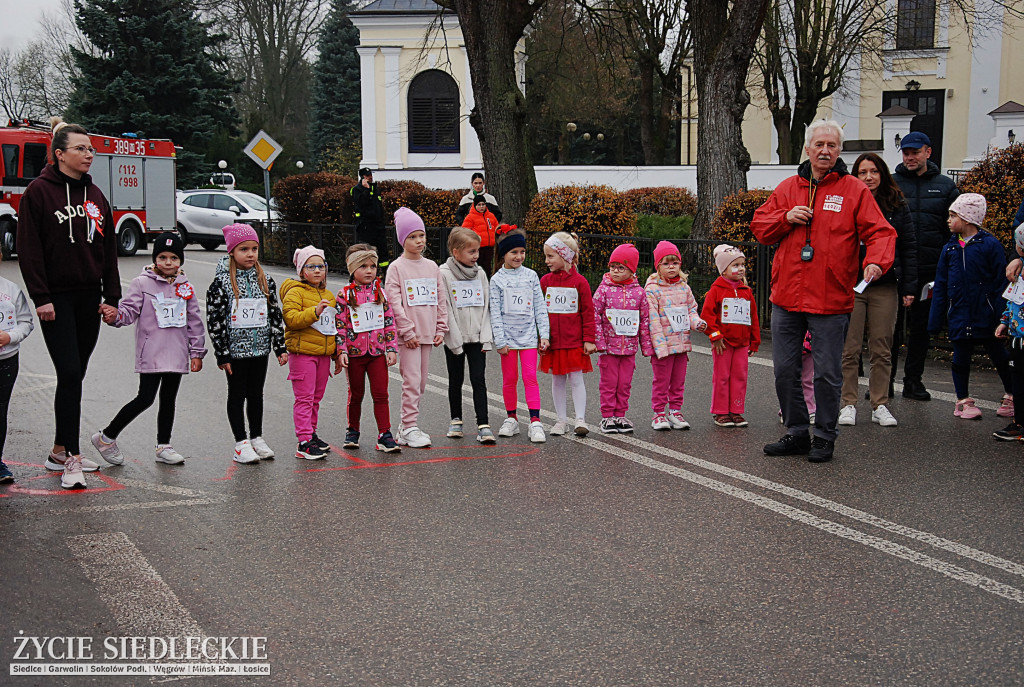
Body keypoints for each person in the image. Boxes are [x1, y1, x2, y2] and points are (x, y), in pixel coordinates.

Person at [752, 119, 896, 463]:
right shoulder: (788, 187)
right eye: (819, 144)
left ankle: (825, 436)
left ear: (840, 150)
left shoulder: (854, 190)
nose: (825, 151)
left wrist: (875, 262)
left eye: (832, 145)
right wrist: (786, 217)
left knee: (828, 374)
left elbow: (881, 232)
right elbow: (760, 226)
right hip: (787, 297)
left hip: (831, 298)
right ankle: (797, 432)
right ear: (807, 148)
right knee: (784, 371)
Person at [16, 117, 121, 489]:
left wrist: (112, 297)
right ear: (59, 154)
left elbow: (108, 249)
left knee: (75, 375)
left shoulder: (96, 195)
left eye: (90, 148)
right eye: (80, 148)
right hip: (56, 299)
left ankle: (59, 450)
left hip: (89, 297)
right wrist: (41, 297)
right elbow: (29, 249)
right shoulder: (38, 193)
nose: (89, 154)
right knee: (70, 372)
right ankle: (72, 458)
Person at [91, 233, 206, 467]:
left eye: (174, 258)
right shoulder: (142, 283)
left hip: (177, 353)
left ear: (180, 260)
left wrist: (197, 352)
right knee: (145, 398)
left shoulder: (186, 287)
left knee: (169, 400)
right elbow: (129, 311)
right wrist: (115, 316)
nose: (168, 262)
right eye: (162, 257)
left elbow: (194, 321)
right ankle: (106, 437)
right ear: (155, 259)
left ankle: (164, 446)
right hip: (152, 352)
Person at [838, 153, 919, 428]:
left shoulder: (897, 205)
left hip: (885, 285)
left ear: (882, 174)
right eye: (862, 172)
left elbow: (908, 247)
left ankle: (879, 403)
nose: (868, 177)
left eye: (873, 171)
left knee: (882, 347)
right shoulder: (847, 202)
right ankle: (848, 403)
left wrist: (909, 287)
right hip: (851, 285)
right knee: (849, 348)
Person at [206, 223, 288, 464]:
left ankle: (257, 437)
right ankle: (240, 442)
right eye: (244, 249)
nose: (250, 254)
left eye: (254, 249)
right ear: (232, 252)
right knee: (237, 394)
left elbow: (274, 314)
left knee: (256, 394)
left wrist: (279, 346)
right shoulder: (221, 284)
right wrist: (222, 353)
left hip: (260, 348)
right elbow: (215, 320)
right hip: (235, 351)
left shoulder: (265, 280)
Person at [927, 193, 1013, 420]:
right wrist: (935, 320)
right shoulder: (949, 249)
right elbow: (941, 284)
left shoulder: (990, 245)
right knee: (960, 358)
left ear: (967, 218)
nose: (948, 220)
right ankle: (962, 399)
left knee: (999, 356)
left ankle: (1012, 394)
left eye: (953, 215)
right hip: (959, 313)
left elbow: (1001, 282)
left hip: (986, 314)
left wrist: (1002, 317)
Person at [893, 131, 959, 401]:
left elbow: (954, 228)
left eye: (915, 152)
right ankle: (883, 384)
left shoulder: (946, 186)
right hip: (896, 269)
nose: (910, 157)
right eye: (906, 153)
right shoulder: (891, 184)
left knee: (921, 329)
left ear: (928, 152)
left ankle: (913, 382)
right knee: (889, 330)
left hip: (930, 271)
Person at [384, 208, 448, 448]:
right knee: (411, 380)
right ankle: (409, 426)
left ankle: (407, 427)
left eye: (421, 235)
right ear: (402, 240)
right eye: (412, 237)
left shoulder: (432, 267)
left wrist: (440, 328)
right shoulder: (396, 268)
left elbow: (440, 298)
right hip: (408, 337)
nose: (419, 241)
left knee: (421, 383)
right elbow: (394, 302)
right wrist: (407, 331)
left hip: (427, 334)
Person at [335, 244, 400, 453]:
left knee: (381, 394)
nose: (369, 271)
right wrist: (341, 350)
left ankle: (385, 434)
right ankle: (352, 430)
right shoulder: (344, 295)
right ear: (352, 268)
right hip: (354, 355)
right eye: (363, 266)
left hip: (377, 354)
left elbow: (389, 322)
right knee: (356, 394)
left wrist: (391, 348)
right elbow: (340, 325)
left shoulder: (380, 293)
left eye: (372, 266)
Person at [489, 227, 549, 443]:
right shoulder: (496, 280)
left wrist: (544, 334)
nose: (519, 256)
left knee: (530, 377)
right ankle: (511, 418)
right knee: (510, 379)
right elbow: (495, 312)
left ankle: (535, 421)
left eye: (522, 252)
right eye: (513, 252)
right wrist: (500, 340)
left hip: (529, 339)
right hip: (508, 340)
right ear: (503, 254)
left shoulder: (531, 276)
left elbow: (540, 307)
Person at [439, 227, 496, 444]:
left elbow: (486, 306)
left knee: (478, 379)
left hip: (477, 338)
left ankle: (483, 424)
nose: (476, 256)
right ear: (456, 252)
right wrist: (454, 341)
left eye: (477, 251)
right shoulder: (444, 274)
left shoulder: (480, 273)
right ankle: (456, 420)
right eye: (471, 251)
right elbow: (445, 308)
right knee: (456, 379)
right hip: (455, 337)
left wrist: (486, 337)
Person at [280, 245, 336, 460]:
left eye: (321, 266)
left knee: (316, 398)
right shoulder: (295, 292)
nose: (317, 270)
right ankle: (303, 441)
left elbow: (333, 327)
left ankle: (311, 433)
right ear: (302, 271)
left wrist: (336, 353)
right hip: (302, 353)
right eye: (311, 266)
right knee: (304, 398)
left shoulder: (328, 294)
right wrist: (314, 311)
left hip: (323, 355)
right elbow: (291, 319)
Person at [645, 240, 706, 431]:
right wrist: (659, 346)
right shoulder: (652, 289)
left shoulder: (684, 287)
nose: (671, 267)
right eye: (666, 263)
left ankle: (675, 411)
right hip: (663, 346)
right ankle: (658, 413)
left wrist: (697, 323)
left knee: (678, 381)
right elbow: (652, 319)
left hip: (681, 343)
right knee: (661, 381)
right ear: (658, 266)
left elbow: (691, 310)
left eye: (675, 263)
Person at [592, 243, 652, 434]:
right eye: (613, 267)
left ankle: (620, 414)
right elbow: (594, 315)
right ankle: (607, 416)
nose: (615, 271)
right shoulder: (603, 290)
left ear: (632, 270)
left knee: (624, 383)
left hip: (629, 349)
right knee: (609, 383)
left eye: (621, 267)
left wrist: (646, 346)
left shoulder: (639, 293)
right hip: (609, 348)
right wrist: (599, 342)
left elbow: (644, 320)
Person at [540, 232, 596, 436]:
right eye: (546, 256)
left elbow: (588, 313)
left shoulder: (580, 282)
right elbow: (540, 312)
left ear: (564, 256)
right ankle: (561, 420)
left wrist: (589, 339)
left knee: (576, 379)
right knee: (557, 380)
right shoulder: (545, 281)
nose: (547, 261)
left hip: (575, 342)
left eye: (550, 256)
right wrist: (542, 336)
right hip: (554, 342)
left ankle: (580, 419)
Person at [701, 244, 760, 428]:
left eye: (742, 265)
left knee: (739, 377)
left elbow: (753, 317)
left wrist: (754, 341)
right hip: (723, 343)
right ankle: (720, 412)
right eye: (735, 265)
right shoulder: (716, 290)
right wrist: (716, 336)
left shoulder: (746, 292)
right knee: (722, 376)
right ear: (723, 270)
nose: (740, 269)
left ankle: (736, 410)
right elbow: (707, 316)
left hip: (742, 343)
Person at [0, 254, 35, 483]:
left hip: (6, 360)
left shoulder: (11, 289)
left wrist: (10, 336)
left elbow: (26, 322)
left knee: (1, 410)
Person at [993, 225, 1024, 440]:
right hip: (1016, 338)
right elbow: (1013, 300)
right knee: (1018, 382)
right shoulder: (1018, 272)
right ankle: (1019, 423)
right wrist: (1005, 321)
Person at [350, 168, 390, 268]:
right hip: (366, 227)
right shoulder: (356, 190)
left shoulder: (375, 188)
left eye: (371, 175)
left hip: (378, 226)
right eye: (368, 175)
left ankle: (385, 273)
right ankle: (367, 272)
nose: (370, 177)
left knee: (383, 252)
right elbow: (362, 203)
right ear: (363, 177)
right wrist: (366, 189)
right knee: (367, 252)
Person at [460, 195, 500, 274]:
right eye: (479, 205)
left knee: (488, 267)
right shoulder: (470, 217)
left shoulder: (491, 216)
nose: (481, 207)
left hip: (489, 247)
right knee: (477, 267)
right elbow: (465, 232)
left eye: (483, 204)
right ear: (475, 205)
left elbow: (496, 228)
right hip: (477, 247)